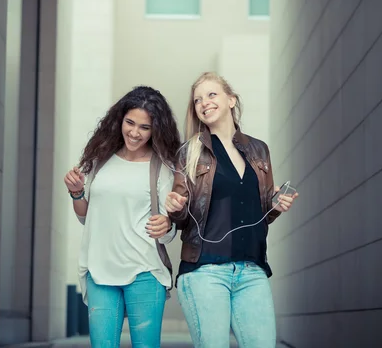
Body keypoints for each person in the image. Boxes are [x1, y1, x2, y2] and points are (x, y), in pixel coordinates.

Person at [165, 72, 299, 348]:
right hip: (204, 271)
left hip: (252, 270)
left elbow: (262, 213)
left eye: (212, 95)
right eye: (198, 100)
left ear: (231, 100)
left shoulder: (259, 150)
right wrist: (174, 207)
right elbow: (180, 216)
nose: (204, 103)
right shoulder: (189, 153)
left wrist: (276, 205)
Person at [64, 86, 182, 348]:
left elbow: (170, 230)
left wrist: (167, 224)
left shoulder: (162, 168)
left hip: (145, 271)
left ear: (155, 130)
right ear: (120, 120)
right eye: (130, 122)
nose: (134, 132)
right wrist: (76, 194)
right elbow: (86, 217)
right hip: (100, 271)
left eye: (145, 127)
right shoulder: (100, 161)